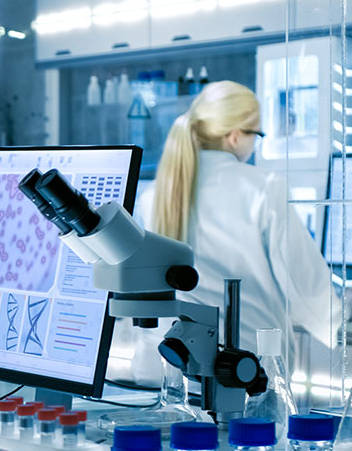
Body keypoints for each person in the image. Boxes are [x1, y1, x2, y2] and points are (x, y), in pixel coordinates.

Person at [115, 80, 342, 384]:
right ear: (235, 136)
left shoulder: (154, 194)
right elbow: (302, 281)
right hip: (243, 372)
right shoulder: (263, 187)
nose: (255, 144)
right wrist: (337, 323)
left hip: (163, 369)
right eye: (257, 135)